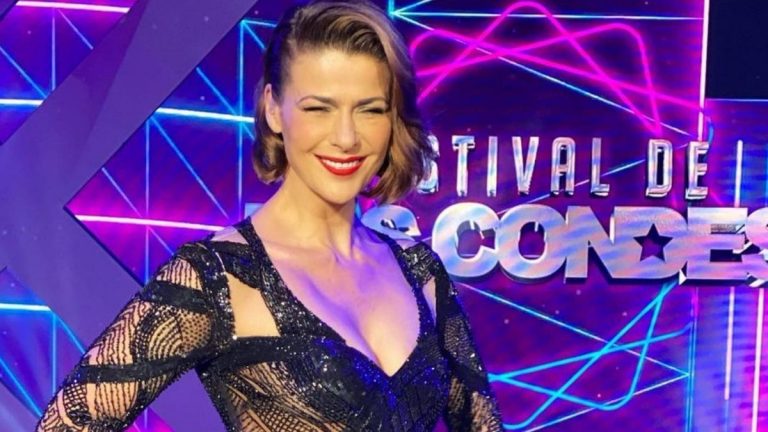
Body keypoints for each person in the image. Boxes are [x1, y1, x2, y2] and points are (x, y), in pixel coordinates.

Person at [36, 1, 503, 430]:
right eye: (318, 108)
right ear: (274, 110)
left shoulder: (420, 272)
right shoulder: (217, 276)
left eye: (370, 110)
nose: (346, 138)